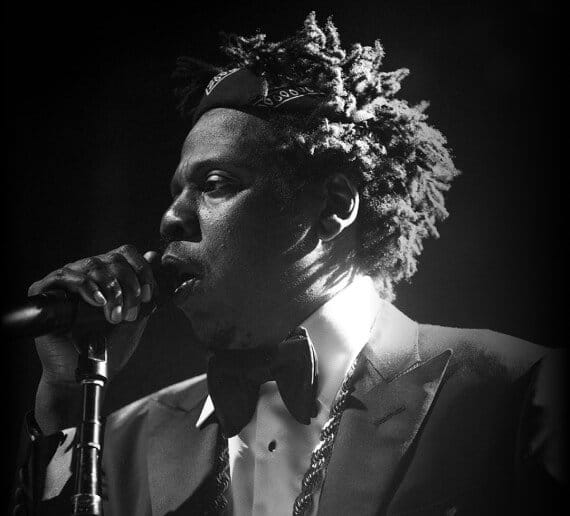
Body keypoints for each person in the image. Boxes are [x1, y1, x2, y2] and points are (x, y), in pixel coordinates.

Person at [12, 12, 565, 516]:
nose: (171, 219)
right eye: (176, 192)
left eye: (215, 184)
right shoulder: (121, 438)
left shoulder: (517, 389)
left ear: (333, 206)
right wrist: (66, 395)